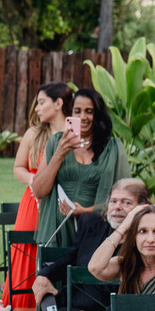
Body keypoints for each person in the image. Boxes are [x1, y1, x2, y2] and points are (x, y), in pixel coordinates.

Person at [32, 178, 149, 311]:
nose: (117, 208)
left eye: (126, 203)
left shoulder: (148, 239)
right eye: (113, 201)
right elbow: (72, 256)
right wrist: (44, 275)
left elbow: (144, 297)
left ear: (142, 207)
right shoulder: (91, 222)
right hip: (77, 309)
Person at [1, 81, 72, 311]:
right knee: (27, 251)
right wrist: (34, 181)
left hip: (64, 203)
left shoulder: (74, 135)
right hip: (34, 201)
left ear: (59, 103)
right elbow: (18, 168)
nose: (37, 109)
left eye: (42, 103)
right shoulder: (34, 134)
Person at [33, 87, 128, 250]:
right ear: (70, 114)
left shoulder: (113, 148)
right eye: (77, 111)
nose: (83, 117)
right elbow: (39, 191)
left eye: (89, 111)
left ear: (98, 114)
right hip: (58, 227)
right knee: (53, 274)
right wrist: (59, 154)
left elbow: (126, 194)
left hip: (95, 227)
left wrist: (86, 211)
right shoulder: (56, 142)